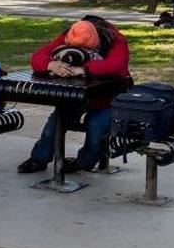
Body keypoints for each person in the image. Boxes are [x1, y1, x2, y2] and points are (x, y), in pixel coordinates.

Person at [17, 15, 131, 174]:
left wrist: (85, 69)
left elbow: (116, 66)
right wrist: (50, 64)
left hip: (109, 97)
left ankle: (83, 163)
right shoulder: (72, 35)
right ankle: (39, 158)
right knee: (57, 120)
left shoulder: (116, 40)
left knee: (96, 126)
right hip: (76, 95)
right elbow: (38, 57)